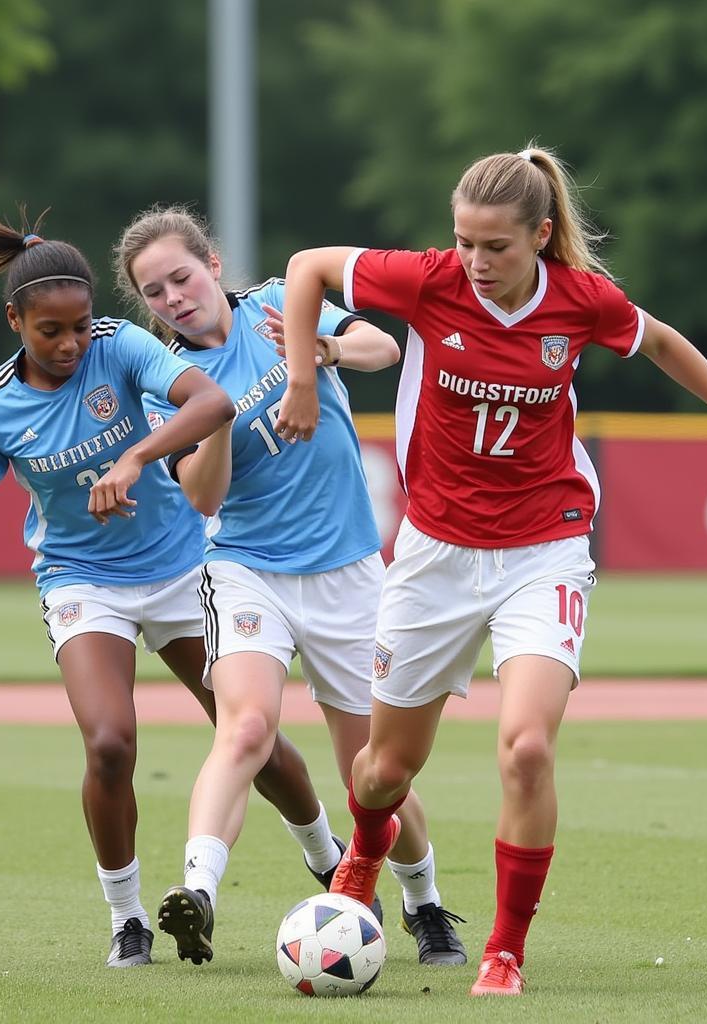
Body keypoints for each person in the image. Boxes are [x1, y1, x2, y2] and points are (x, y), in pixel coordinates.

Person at [275, 145, 707, 997]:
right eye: (465, 243)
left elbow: (663, 342)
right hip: (435, 555)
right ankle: (364, 861)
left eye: (497, 247)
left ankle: (504, 951)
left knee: (526, 750)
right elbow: (305, 270)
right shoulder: (426, 281)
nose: (477, 263)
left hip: (546, 546)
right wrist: (306, 376)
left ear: (542, 235)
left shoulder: (581, 301)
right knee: (381, 772)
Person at [0, 211, 342, 971]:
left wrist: (134, 458)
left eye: (81, 326)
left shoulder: (123, 346)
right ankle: (129, 919)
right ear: (14, 319)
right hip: (85, 584)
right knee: (110, 744)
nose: (72, 344)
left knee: (248, 736)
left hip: (184, 567)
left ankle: (327, 857)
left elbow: (209, 403)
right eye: (51, 331)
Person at [113, 205, 467, 968]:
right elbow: (205, 499)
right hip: (247, 572)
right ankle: (197, 894)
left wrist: (323, 349)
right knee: (244, 728)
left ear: (211, 262)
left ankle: (423, 903)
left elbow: (385, 343)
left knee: (371, 772)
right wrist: (209, 412)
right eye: (154, 292)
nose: (173, 297)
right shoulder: (161, 380)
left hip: (347, 573)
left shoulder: (278, 301)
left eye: (181, 276)